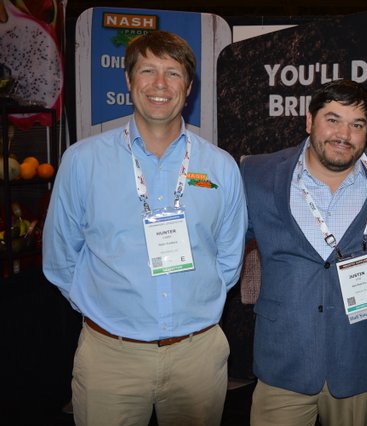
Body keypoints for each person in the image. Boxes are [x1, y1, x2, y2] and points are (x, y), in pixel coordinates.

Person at [42, 31, 247, 426]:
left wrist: (193, 309)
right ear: (129, 80)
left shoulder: (221, 167)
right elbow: (60, 258)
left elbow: (228, 260)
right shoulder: (82, 162)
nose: (160, 84)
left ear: (189, 87)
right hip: (110, 356)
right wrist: (105, 314)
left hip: (197, 355)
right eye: (148, 71)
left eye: (173, 73)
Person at [241, 79, 367, 426]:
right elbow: (218, 243)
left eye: (357, 124)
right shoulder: (257, 174)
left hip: (360, 359)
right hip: (283, 360)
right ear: (309, 120)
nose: (343, 134)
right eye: (332, 120)